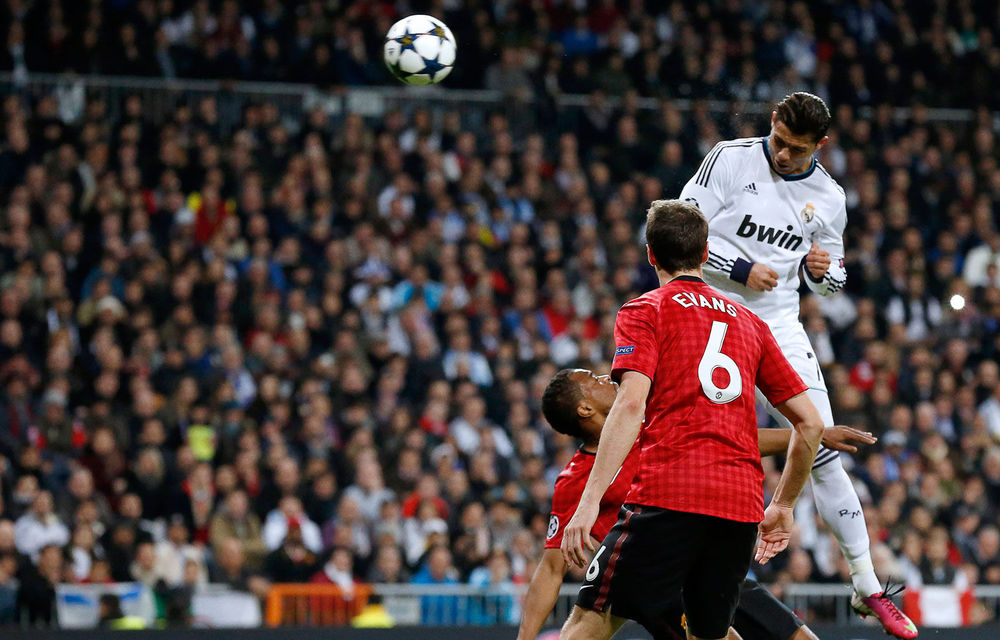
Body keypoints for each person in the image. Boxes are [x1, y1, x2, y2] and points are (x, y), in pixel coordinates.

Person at [678, 92, 917, 639]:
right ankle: (687, 556)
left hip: (779, 325)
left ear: (820, 146)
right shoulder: (731, 158)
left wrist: (822, 271)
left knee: (825, 446)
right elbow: (680, 228)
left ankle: (867, 585)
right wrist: (740, 267)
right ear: (772, 124)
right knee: (701, 437)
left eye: (796, 149)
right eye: (779, 142)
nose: (783, 155)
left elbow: (832, 278)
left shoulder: (830, 196)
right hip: (711, 311)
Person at [559, 199, 824, 640]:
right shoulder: (751, 322)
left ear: (651, 255)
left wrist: (587, 503)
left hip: (669, 496)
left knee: (592, 616)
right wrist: (782, 504)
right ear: (705, 254)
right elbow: (810, 424)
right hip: (739, 507)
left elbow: (629, 405)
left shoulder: (646, 310)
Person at [516, 366, 877, 640]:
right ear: (583, 409)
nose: (605, 377)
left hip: (703, 555)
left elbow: (735, 439)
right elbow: (550, 569)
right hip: (648, 573)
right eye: (593, 378)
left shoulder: (656, 424)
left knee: (798, 636)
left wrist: (811, 433)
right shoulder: (576, 479)